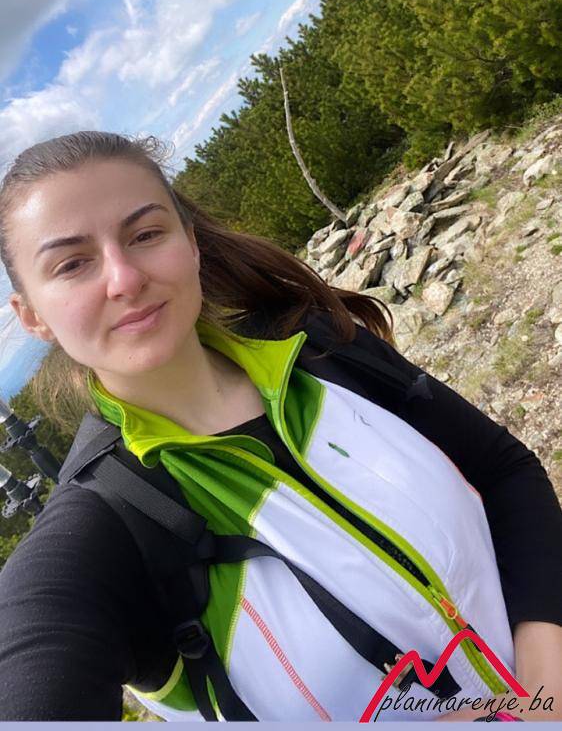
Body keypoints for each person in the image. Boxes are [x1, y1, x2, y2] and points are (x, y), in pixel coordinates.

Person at [0, 129, 560, 722]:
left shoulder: (316, 347)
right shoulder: (103, 528)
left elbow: (504, 472)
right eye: (72, 264)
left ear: (191, 243)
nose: (124, 278)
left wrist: (543, 688)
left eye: (145, 235)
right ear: (33, 316)